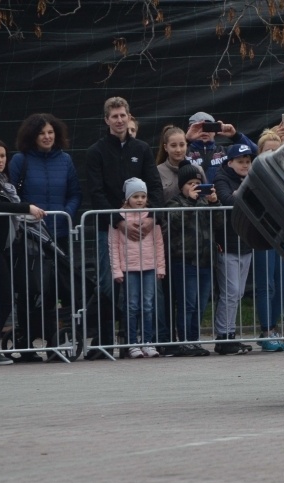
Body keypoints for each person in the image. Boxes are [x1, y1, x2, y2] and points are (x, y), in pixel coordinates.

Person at [85, 96, 164, 359]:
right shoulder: (96, 151)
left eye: (123, 115)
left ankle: (145, 340)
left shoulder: (141, 148)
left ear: (129, 117)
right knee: (110, 285)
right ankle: (107, 342)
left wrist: (152, 217)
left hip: (143, 233)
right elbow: (95, 192)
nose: (120, 120)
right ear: (107, 119)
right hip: (109, 230)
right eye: (114, 116)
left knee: (147, 291)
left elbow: (154, 186)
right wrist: (118, 222)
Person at [0, 138, 47, 365]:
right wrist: (27, 207)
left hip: (3, 247)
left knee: (2, 297)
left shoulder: (4, 181)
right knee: (4, 298)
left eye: (2, 156)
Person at [165, 161, 222, 357]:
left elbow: (219, 223)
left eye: (197, 183)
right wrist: (191, 201)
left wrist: (215, 202)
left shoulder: (204, 201)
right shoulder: (174, 203)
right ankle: (185, 341)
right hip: (185, 260)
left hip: (206, 260)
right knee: (187, 304)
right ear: (181, 186)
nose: (194, 187)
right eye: (190, 183)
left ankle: (195, 339)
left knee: (200, 304)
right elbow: (175, 223)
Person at [109, 178, 166, 358]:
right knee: (132, 306)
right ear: (127, 199)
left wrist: (160, 267)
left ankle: (147, 342)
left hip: (149, 267)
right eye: (135, 196)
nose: (140, 200)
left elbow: (158, 243)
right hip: (129, 269)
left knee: (148, 305)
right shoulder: (118, 217)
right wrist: (116, 270)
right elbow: (114, 246)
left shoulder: (151, 216)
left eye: (143, 196)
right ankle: (132, 343)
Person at [9, 113, 82, 252]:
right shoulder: (19, 160)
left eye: (50, 132)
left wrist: (66, 214)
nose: (47, 137)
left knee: (60, 273)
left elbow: (75, 194)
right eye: (41, 133)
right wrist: (27, 210)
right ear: (32, 136)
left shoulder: (66, 160)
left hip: (60, 232)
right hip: (30, 232)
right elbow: (11, 195)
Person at [253, 129, 284, 351]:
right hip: (263, 236)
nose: (271, 154)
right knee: (266, 285)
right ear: (259, 152)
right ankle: (267, 329)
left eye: (275, 150)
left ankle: (274, 327)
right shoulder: (254, 175)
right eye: (266, 151)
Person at [212, 143, 255, 355]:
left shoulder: (251, 177)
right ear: (230, 162)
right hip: (227, 244)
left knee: (237, 293)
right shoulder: (222, 178)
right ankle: (223, 336)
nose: (245, 165)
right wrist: (243, 192)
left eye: (248, 161)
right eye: (240, 161)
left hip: (245, 243)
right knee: (231, 292)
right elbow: (227, 199)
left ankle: (231, 333)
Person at [185, 111, 257, 183]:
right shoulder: (183, 152)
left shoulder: (226, 152)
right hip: (191, 193)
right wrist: (187, 140)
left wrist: (235, 136)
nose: (205, 132)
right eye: (199, 128)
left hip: (222, 193)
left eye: (208, 127)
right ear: (189, 130)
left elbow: (257, 153)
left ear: (215, 130)